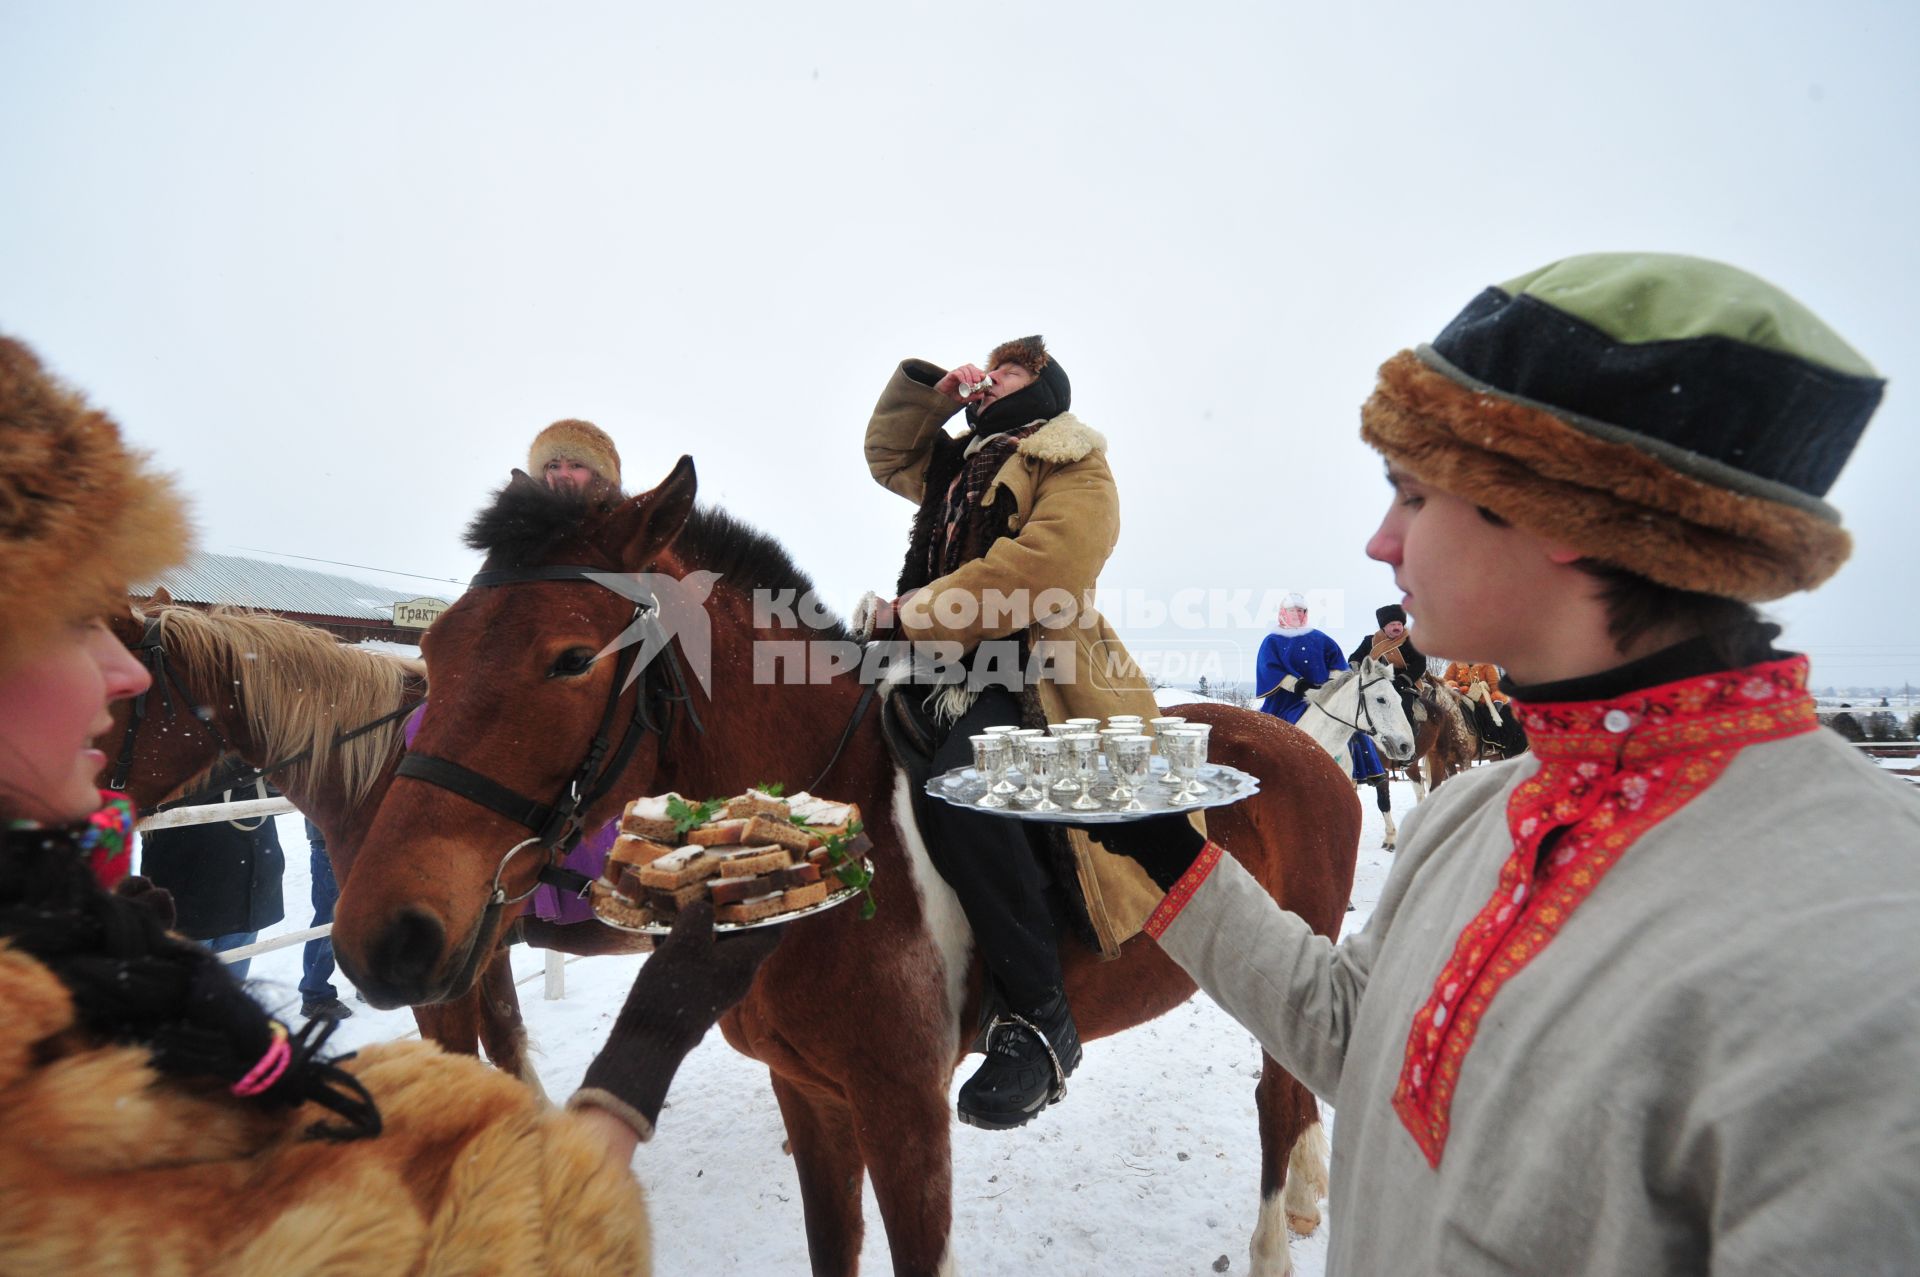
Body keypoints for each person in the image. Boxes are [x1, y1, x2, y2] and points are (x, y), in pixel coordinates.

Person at [1084, 254, 1920, 1273]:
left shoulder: (1869, 955)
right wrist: (1167, 849)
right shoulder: (1473, 810)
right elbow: (1353, 1033)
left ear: (1566, 513)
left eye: (1411, 494)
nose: (1380, 541)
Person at [0, 333, 774, 1272]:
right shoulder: (506, 574)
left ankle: (571, 887)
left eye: (582, 468)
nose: (121, 670)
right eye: (75, 624)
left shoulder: (632, 580)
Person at [865, 334, 1171, 1129]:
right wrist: (937, 390)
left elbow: (1044, 571)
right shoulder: (962, 462)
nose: (986, 381)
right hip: (927, 665)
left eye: (1002, 372)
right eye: (986, 372)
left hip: (1029, 672)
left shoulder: (1074, 464)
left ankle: (1039, 1017)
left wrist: (916, 613)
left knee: (967, 791)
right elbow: (884, 452)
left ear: (1042, 385)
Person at [137, 762, 287, 980]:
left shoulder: (250, 743)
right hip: (188, 890)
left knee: (229, 995)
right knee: (184, 996)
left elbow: (277, 796)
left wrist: (269, 774)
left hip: (246, 887)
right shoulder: (170, 742)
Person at [1255, 592, 1386, 785]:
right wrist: (1298, 685)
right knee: (1267, 734)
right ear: (1283, 612)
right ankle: (1268, 774)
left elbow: (1338, 664)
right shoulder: (1272, 641)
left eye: (1301, 611)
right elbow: (1270, 669)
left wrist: (1330, 685)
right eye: (1292, 611)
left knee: (1352, 726)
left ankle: (1365, 767)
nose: (1296, 615)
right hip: (1286, 701)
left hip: (1324, 695)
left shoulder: (1320, 638)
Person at [298, 817, 352, 1019]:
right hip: (333, 842)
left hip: (358, 838)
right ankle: (315, 993)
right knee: (329, 918)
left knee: (363, 913)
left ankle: (364, 977)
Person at [1347, 603, 1427, 699]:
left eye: (1400, 624)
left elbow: (1420, 664)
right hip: (1372, 682)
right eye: (1393, 624)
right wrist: (1356, 672)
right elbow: (1356, 657)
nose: (1397, 627)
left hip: (1402, 685)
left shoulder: (1412, 641)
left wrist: (1402, 681)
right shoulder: (1370, 641)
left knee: (1405, 708)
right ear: (1383, 627)